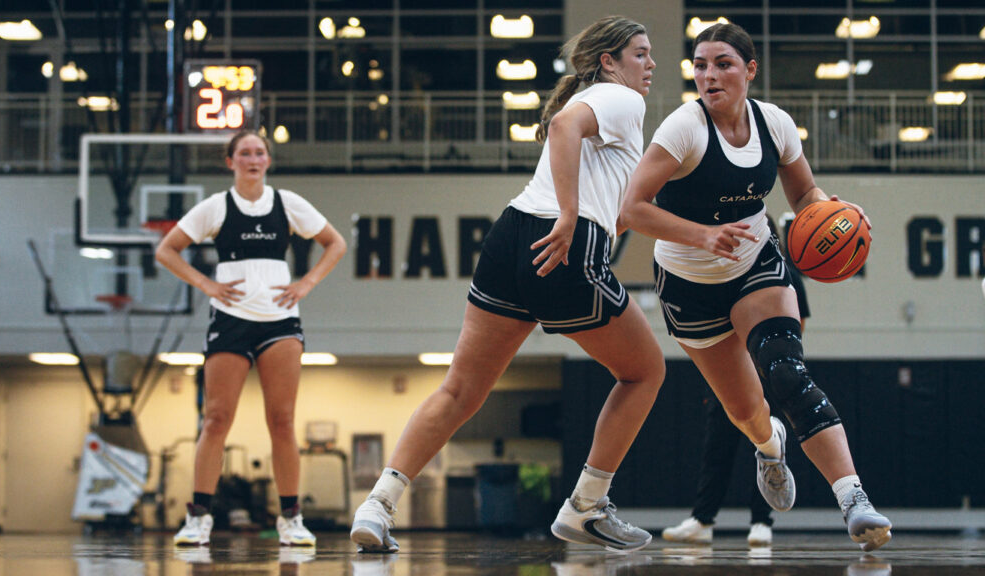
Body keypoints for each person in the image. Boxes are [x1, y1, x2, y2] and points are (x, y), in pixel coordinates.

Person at [350, 15, 665, 554]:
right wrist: (569, 216)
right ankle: (587, 505)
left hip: (510, 235)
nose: (651, 63)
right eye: (640, 53)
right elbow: (564, 128)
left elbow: (627, 209)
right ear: (608, 61)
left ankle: (377, 504)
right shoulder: (620, 99)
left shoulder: (609, 111)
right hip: (560, 242)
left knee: (460, 390)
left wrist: (703, 238)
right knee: (645, 371)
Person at [620, 21, 892, 552]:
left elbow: (805, 192)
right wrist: (704, 235)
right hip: (687, 283)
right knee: (745, 411)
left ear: (749, 70)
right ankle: (770, 446)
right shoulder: (682, 129)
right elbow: (631, 209)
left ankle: (853, 499)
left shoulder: (776, 124)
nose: (708, 74)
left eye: (722, 63)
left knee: (786, 372)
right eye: (699, 65)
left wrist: (839, 214)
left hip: (756, 265)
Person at [156, 130, 347, 547]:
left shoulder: (288, 203)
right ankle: (199, 517)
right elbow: (167, 250)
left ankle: (291, 518)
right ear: (231, 162)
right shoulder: (216, 207)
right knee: (216, 419)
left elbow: (335, 243)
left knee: (282, 420)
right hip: (230, 319)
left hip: (280, 321)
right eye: (244, 153)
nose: (253, 159)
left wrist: (307, 283)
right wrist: (206, 285)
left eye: (259, 152)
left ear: (268, 161)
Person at [663, 217, 810, 547]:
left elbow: (797, 323)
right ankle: (702, 519)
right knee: (716, 450)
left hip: (768, 373)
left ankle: (762, 522)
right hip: (730, 370)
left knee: (768, 449)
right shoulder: (723, 269)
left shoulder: (782, 271)